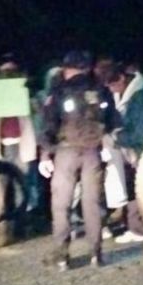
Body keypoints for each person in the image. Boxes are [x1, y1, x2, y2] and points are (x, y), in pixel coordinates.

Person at [39, 50, 119, 270]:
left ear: (67, 69)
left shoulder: (59, 91)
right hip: (93, 153)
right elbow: (112, 121)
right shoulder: (101, 90)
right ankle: (96, 254)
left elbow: (48, 125)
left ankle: (62, 256)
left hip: (66, 153)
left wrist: (45, 153)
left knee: (61, 205)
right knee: (92, 204)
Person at [104, 63, 143, 243]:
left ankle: (141, 228)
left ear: (122, 78)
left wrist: (118, 137)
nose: (111, 89)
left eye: (112, 84)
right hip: (138, 148)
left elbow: (142, 131)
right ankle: (138, 226)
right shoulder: (136, 92)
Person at [0, 53, 38, 211]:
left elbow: (35, 112)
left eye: (12, 71)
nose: (8, 75)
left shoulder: (24, 91)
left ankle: (21, 215)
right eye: (5, 71)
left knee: (21, 182)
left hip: (21, 143)